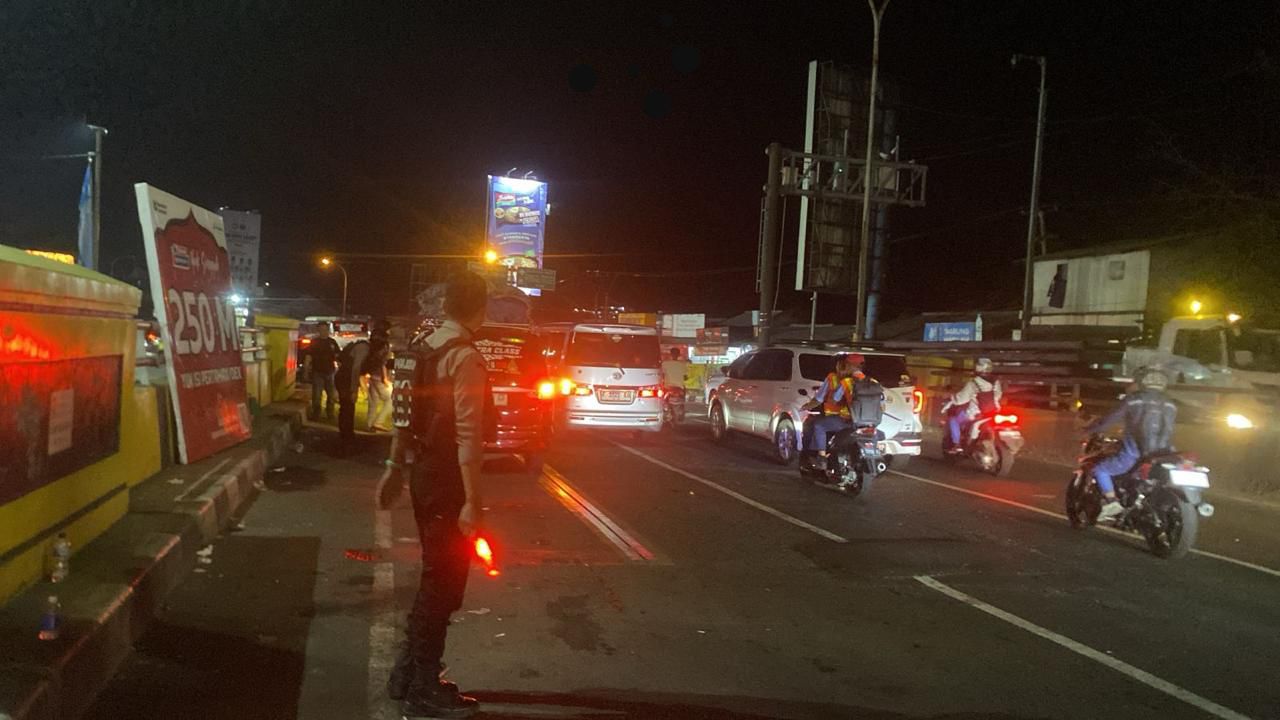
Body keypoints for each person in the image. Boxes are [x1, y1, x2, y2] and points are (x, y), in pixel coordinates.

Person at [376, 273, 488, 718]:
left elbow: (402, 414)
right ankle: (423, 686)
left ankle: (406, 674)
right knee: (444, 585)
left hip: (423, 474)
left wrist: (394, 467)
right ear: (480, 308)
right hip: (447, 482)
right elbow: (468, 436)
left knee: (434, 577)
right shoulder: (463, 356)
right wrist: (473, 501)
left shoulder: (421, 346)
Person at [1084, 367, 1177, 521]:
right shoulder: (1170, 404)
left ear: (1142, 382)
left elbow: (1109, 420)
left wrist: (1089, 429)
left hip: (1135, 453)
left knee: (1100, 469)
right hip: (1163, 454)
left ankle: (1112, 502)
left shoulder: (1133, 400)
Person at [802, 355, 864, 457]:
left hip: (841, 419)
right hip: (862, 421)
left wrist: (805, 407)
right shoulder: (869, 381)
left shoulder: (837, 379)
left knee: (815, 425)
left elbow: (820, 399)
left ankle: (821, 458)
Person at [336, 333, 391, 445]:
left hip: (347, 378)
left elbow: (360, 372)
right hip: (344, 379)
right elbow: (356, 368)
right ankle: (346, 435)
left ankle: (347, 434)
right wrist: (353, 390)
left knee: (349, 407)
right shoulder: (363, 348)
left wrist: (360, 386)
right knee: (347, 407)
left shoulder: (368, 351)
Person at [943, 357, 1003, 453]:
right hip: (994, 412)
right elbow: (998, 395)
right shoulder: (996, 382)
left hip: (976, 414)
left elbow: (961, 399)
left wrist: (951, 399)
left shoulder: (974, 383)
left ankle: (957, 444)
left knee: (954, 420)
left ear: (978, 368)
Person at [307, 324, 341, 421]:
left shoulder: (332, 342)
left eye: (325, 329)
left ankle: (330, 413)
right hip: (317, 372)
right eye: (321, 329)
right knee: (317, 395)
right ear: (318, 330)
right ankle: (316, 413)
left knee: (331, 395)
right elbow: (309, 356)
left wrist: (340, 368)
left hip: (330, 372)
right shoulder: (314, 342)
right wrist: (306, 369)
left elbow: (337, 356)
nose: (324, 331)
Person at [366, 330, 394, 432]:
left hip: (372, 375)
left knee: (373, 402)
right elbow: (383, 363)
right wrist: (385, 378)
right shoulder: (384, 347)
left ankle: (370, 425)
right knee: (391, 400)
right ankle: (379, 422)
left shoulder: (371, 347)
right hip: (380, 377)